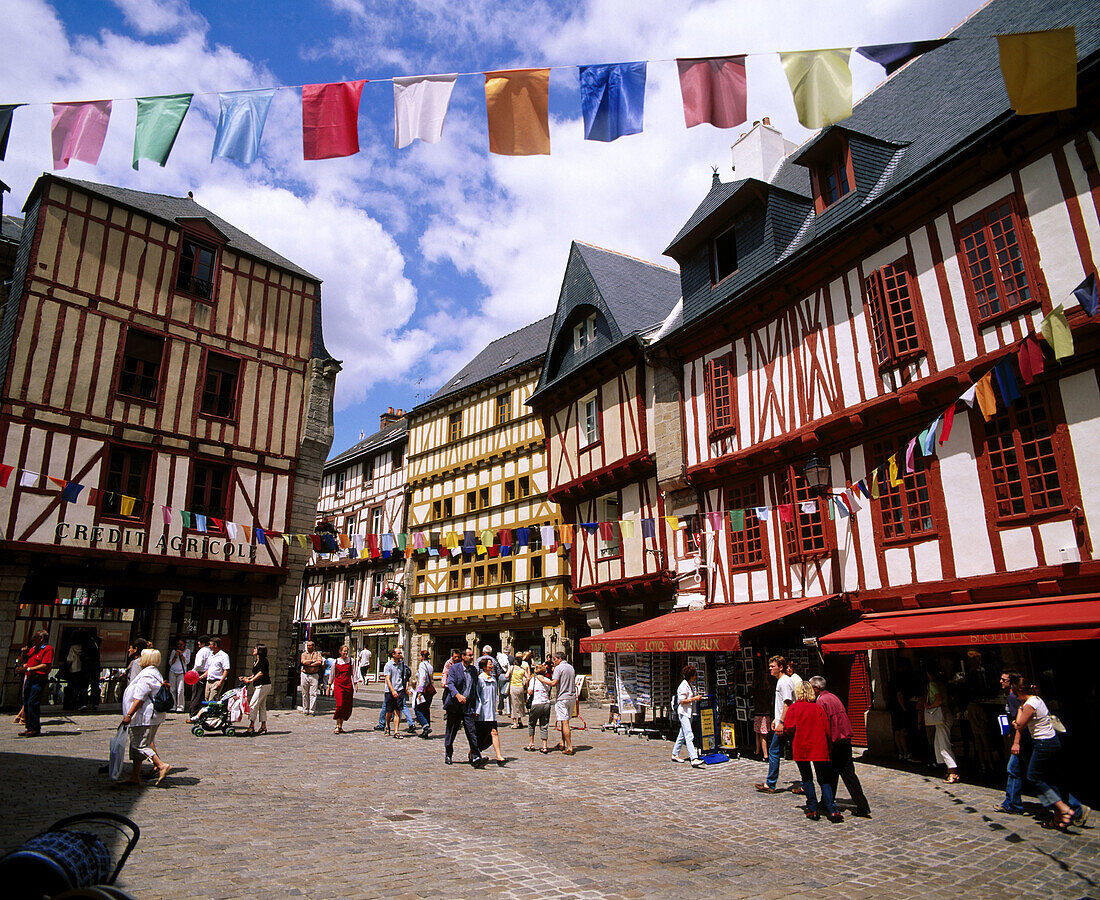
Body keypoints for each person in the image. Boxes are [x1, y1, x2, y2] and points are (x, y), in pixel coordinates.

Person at [1012, 681, 1090, 830]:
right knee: (1050, 781)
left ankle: (1063, 809)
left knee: (1034, 777)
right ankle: (1068, 812)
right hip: (1051, 742)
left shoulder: (1029, 704)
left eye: (1015, 693)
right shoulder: (1037, 699)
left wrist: (1019, 713)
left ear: (1019, 692)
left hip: (1043, 744)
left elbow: (1020, 724)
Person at [780, 680, 842, 822]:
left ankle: (812, 809)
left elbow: (789, 728)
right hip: (819, 747)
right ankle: (832, 809)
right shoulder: (818, 708)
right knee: (824, 779)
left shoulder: (795, 709)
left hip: (802, 747)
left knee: (807, 778)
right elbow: (827, 729)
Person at [810, 675, 871, 818]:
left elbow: (824, 726)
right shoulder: (833, 697)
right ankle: (855, 804)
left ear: (817, 688)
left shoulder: (822, 702)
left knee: (835, 774)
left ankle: (859, 805)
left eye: (811, 688)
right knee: (844, 774)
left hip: (835, 742)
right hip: (845, 740)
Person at [120, 648, 171, 785]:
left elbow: (139, 698)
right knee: (140, 743)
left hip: (145, 715)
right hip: (153, 715)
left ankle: (160, 765)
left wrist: (129, 714)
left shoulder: (147, 675)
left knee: (139, 745)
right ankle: (135, 776)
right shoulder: (155, 673)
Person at [755, 656, 795, 793]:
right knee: (796, 753)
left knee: (774, 751)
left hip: (786, 724)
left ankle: (771, 783)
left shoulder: (784, 682)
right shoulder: (781, 681)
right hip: (782, 722)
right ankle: (804, 783)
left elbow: (787, 703)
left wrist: (781, 722)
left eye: (773, 666)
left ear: (781, 667)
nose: (770, 669)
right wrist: (775, 719)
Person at [443, 647, 485, 767]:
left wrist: (477, 706)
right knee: (451, 731)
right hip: (455, 706)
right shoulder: (454, 668)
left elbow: (475, 688)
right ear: (463, 656)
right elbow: (450, 683)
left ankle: (476, 756)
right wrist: (457, 695)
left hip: (468, 706)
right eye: (470, 655)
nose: (472, 657)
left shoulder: (473, 670)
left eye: (472, 655)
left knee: (472, 732)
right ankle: (448, 754)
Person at [994, 671, 1029, 815]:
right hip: (1020, 738)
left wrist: (1016, 742)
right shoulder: (1013, 697)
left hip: (1022, 740)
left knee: (1015, 770)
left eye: (1004, 680)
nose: (1001, 682)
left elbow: (1020, 724)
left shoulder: (1014, 698)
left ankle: (1012, 804)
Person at [923, 667, 958, 783]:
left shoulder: (932, 684)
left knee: (943, 744)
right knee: (939, 743)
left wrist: (929, 706)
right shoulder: (941, 684)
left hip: (941, 716)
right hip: (945, 714)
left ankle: (953, 772)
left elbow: (939, 701)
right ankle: (949, 769)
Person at [18, 630, 53, 737]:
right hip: (30, 677)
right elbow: (26, 659)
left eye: (35, 637)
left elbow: (45, 665)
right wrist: (23, 653)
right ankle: (28, 726)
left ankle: (35, 728)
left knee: (33, 702)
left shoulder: (47, 649)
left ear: (41, 638)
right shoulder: (33, 649)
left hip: (39, 678)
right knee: (26, 701)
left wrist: (29, 668)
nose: (34, 639)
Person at [672, 664, 705, 767]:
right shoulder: (683, 686)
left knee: (682, 734)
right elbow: (682, 701)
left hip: (689, 712)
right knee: (689, 735)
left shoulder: (690, 685)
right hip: (683, 713)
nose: (695, 677)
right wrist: (695, 699)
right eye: (694, 675)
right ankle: (694, 758)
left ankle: (675, 753)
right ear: (690, 675)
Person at [475, 657, 505, 765]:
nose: (492, 666)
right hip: (482, 713)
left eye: (492, 664)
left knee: (494, 732)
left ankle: (499, 756)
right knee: (480, 735)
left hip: (491, 712)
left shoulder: (493, 679)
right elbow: (477, 695)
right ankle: (473, 753)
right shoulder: (480, 679)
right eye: (490, 664)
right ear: (484, 667)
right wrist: (477, 709)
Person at [239, 643, 271, 736]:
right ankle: (263, 726)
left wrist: (251, 680)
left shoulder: (263, 661)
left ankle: (251, 726)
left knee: (253, 704)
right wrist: (247, 678)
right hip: (260, 685)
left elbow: (260, 673)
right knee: (261, 706)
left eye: (255, 649)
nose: (253, 650)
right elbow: (255, 673)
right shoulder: (256, 660)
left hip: (263, 685)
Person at [887, 658, 915, 762]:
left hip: (894, 708)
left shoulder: (892, 678)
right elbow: (899, 694)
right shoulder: (900, 678)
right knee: (902, 731)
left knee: (897, 731)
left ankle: (900, 752)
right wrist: (904, 708)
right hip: (899, 708)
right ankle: (906, 752)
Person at [549, 650, 577, 755]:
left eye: (555, 659)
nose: (554, 661)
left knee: (565, 722)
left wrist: (542, 680)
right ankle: (562, 743)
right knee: (563, 720)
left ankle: (569, 747)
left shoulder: (558, 668)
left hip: (562, 697)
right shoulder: (570, 667)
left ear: (560, 659)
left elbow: (554, 682)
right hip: (571, 697)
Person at [329, 645, 358, 734]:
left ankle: (341, 725)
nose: (345, 653)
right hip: (338, 685)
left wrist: (355, 684)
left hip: (348, 685)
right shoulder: (336, 662)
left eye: (347, 651)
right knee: (340, 704)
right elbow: (332, 674)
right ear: (340, 651)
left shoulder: (351, 661)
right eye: (344, 651)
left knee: (346, 706)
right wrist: (329, 685)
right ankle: (337, 725)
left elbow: (354, 673)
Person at [525, 662, 553, 753]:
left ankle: (531, 744)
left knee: (531, 724)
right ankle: (544, 746)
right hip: (546, 703)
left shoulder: (533, 680)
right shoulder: (547, 679)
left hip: (536, 703)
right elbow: (548, 690)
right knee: (544, 725)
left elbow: (530, 691)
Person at [383, 647, 408, 736]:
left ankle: (396, 731)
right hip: (390, 691)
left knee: (398, 711)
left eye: (401, 653)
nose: (400, 655)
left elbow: (404, 677)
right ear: (393, 655)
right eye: (399, 653)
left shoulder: (402, 665)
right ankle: (387, 725)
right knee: (389, 712)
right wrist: (393, 690)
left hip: (400, 689)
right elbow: (387, 679)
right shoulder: (388, 665)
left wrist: (405, 688)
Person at [188, 637, 212, 719]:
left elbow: (198, 664)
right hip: (207, 673)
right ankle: (200, 713)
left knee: (196, 694)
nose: (198, 643)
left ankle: (193, 713)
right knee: (202, 695)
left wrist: (193, 671)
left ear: (203, 643)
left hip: (200, 673)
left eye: (199, 642)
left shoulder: (202, 652)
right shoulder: (210, 651)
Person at [299, 640, 324, 716]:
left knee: (313, 693)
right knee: (304, 693)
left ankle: (312, 710)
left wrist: (309, 664)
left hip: (314, 675)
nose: (309, 647)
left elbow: (319, 662)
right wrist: (313, 661)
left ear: (313, 646)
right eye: (308, 645)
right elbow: (303, 662)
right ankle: (305, 709)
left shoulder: (318, 654)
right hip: (305, 674)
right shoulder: (304, 654)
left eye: (310, 645)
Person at [414, 649, 434, 738]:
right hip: (429, 690)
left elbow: (423, 678)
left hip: (424, 690)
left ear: (422, 657)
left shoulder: (422, 665)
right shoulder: (430, 666)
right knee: (426, 710)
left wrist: (420, 691)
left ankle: (425, 726)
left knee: (417, 709)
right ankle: (426, 731)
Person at [167, 640, 190, 713]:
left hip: (181, 672)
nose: (179, 646)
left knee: (180, 690)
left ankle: (180, 706)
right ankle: (173, 706)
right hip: (173, 671)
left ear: (184, 645)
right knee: (172, 689)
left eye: (181, 644)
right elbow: (170, 662)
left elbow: (187, 661)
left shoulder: (187, 651)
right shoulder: (174, 651)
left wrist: (181, 655)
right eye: (178, 644)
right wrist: (175, 656)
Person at [507, 652, 528, 729]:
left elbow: (506, 676)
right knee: (520, 704)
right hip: (520, 688)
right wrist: (525, 683)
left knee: (513, 705)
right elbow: (528, 677)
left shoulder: (512, 668)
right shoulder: (522, 670)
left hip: (513, 687)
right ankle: (520, 720)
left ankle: (515, 723)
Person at [496, 646, 513, 716]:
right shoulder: (511, 658)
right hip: (509, 675)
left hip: (502, 675)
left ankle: (500, 709)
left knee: (501, 694)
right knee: (508, 693)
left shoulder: (500, 657)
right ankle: (509, 711)